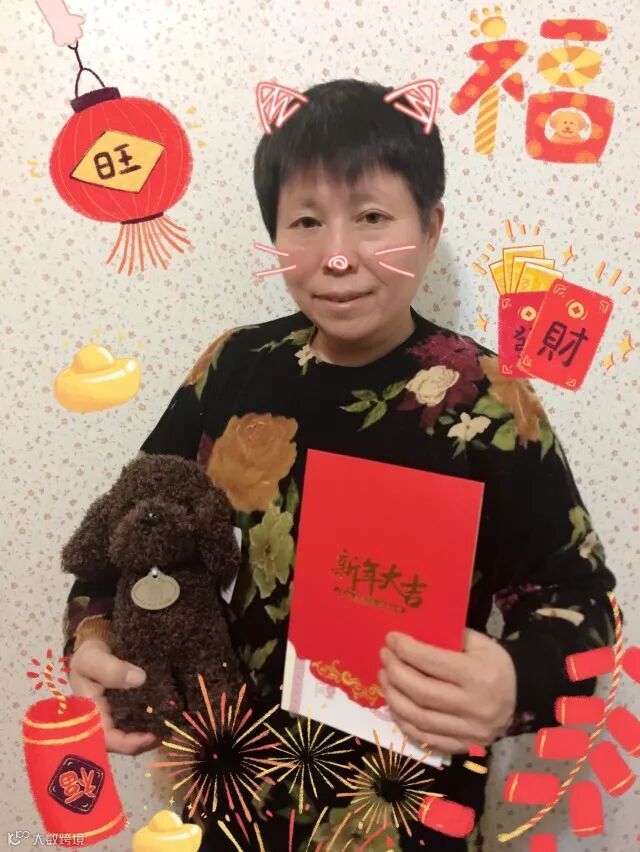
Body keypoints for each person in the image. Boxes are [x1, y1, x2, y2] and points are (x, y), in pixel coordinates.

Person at [63, 79, 617, 851]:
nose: (337, 256)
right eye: (306, 221)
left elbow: (581, 599)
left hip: (406, 813)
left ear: (430, 227)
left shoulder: (490, 399)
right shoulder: (233, 368)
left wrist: (518, 682)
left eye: (372, 217)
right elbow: (123, 536)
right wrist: (92, 640)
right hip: (226, 796)